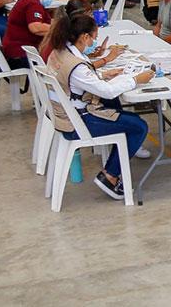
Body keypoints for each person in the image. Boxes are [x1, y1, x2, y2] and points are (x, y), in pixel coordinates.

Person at [45, 12, 153, 199]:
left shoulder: (61, 51)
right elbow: (107, 90)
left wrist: (103, 74)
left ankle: (118, 152)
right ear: (84, 37)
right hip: (76, 122)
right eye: (94, 37)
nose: (95, 42)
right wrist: (136, 79)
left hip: (62, 115)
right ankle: (110, 176)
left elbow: (75, 81)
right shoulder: (77, 66)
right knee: (139, 126)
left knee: (114, 105)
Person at [2, 0, 56, 69]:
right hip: (21, 53)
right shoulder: (33, 4)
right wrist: (57, 28)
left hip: (13, 47)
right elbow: (35, 27)